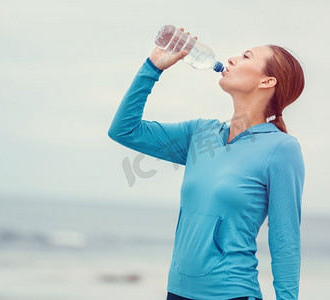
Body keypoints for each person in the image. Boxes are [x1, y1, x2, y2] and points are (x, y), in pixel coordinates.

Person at [108, 28, 305, 300]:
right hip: (177, 291)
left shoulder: (281, 149)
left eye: (246, 56)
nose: (233, 59)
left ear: (266, 82)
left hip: (231, 293)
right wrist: (152, 67)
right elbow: (124, 130)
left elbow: (285, 241)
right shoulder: (200, 133)